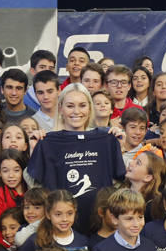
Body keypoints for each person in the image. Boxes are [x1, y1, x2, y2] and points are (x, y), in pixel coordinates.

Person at [27, 84, 126, 232]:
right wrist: (34, 151)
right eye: (70, 106)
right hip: (63, 228)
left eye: (82, 105)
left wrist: (119, 149)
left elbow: (120, 181)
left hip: (100, 227)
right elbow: (35, 186)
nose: (76, 111)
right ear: (60, 108)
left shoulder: (106, 139)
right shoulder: (48, 141)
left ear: (89, 108)